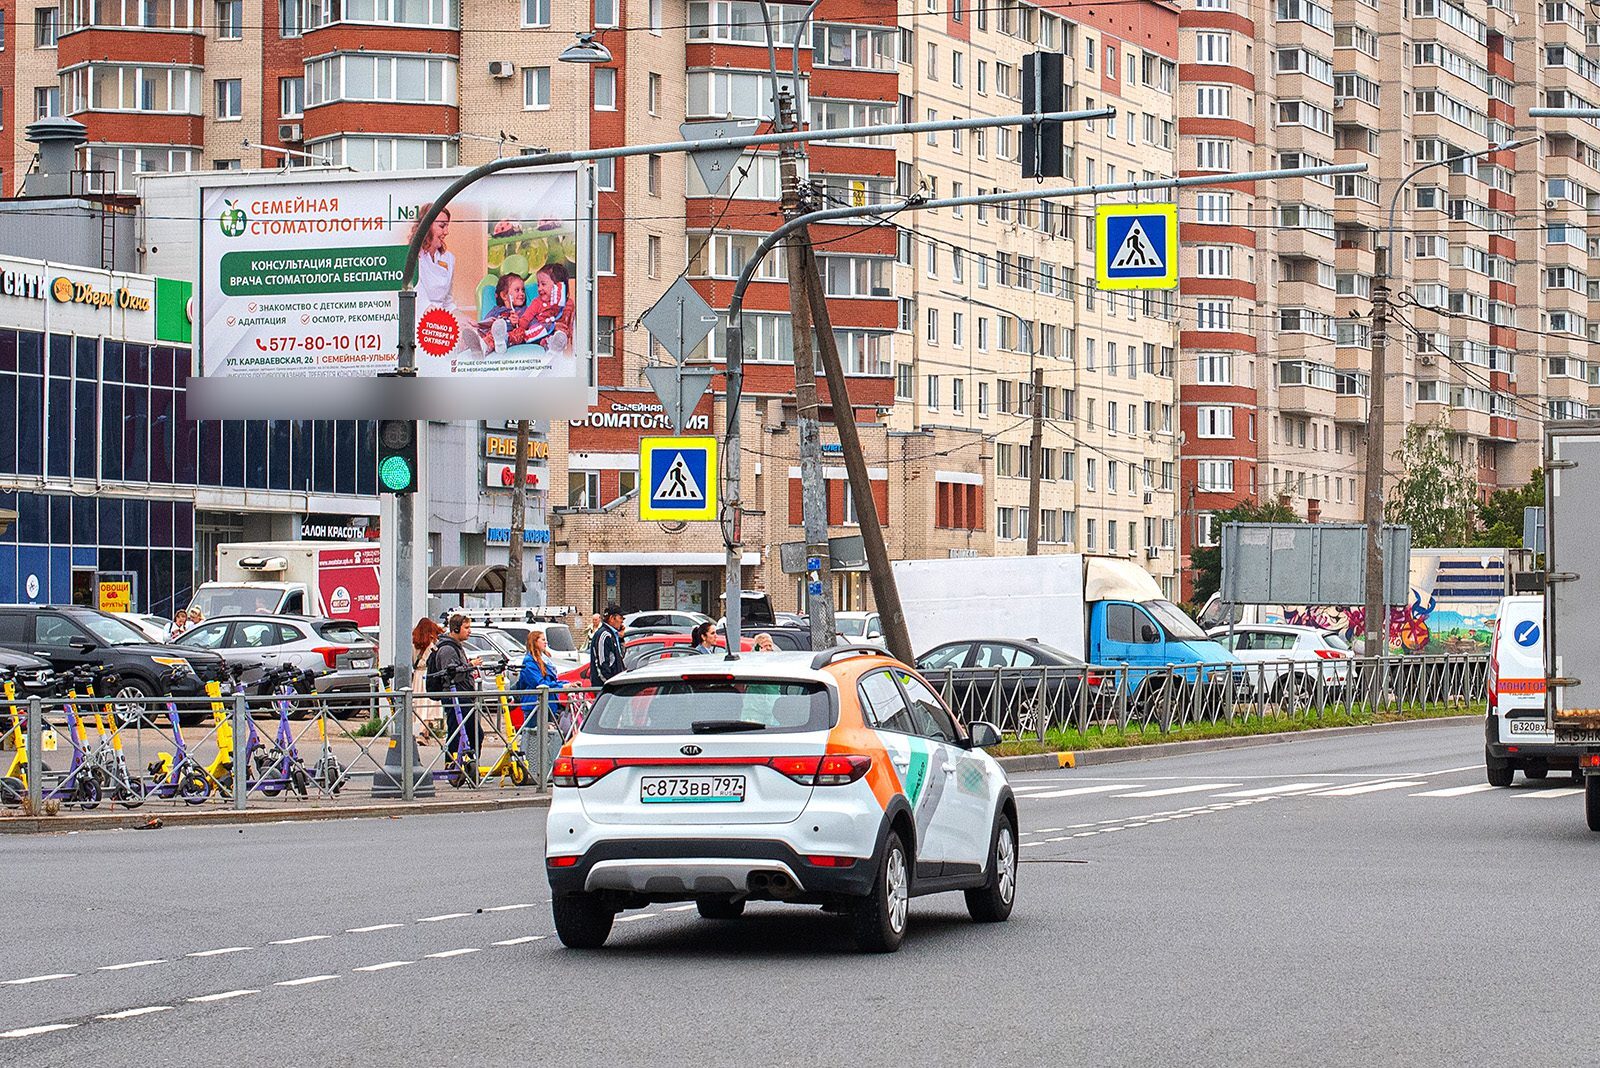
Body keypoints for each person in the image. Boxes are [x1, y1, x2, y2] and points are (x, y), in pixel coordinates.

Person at [426, 611, 482, 767]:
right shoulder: (448, 649)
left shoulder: (455, 646)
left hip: (462, 695)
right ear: (456, 629)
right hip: (455, 696)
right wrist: (470, 665)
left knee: (470, 733)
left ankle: (467, 765)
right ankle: (454, 765)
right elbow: (451, 674)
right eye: (466, 627)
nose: (469, 631)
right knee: (461, 732)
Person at [516, 631, 570, 734]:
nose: (546, 642)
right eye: (543, 639)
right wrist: (562, 686)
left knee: (547, 738)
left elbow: (551, 680)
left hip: (548, 703)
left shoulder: (544, 659)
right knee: (533, 738)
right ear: (535, 642)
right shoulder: (529, 661)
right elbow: (539, 683)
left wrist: (567, 684)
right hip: (535, 704)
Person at [517, 261, 575, 353]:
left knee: (560, 335)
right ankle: (549, 345)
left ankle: (554, 345)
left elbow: (569, 324)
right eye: (538, 285)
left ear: (558, 286)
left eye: (543, 284)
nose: (539, 289)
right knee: (541, 333)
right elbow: (526, 318)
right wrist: (519, 325)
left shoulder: (568, 303)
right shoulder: (537, 302)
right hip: (542, 333)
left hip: (561, 337)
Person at [410, 204, 455, 312]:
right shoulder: (412, 258)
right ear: (427, 226)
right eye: (442, 226)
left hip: (442, 320)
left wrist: (465, 320)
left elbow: (448, 302)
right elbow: (421, 304)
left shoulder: (449, 258)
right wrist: (448, 324)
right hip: (419, 322)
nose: (446, 232)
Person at [410, 617, 444, 743]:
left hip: (418, 675)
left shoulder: (414, 643)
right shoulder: (433, 644)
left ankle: (425, 733)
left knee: (420, 705)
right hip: (429, 673)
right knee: (429, 704)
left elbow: (412, 661)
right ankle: (423, 733)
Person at [476, 272, 528, 351]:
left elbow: (528, 325)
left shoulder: (523, 310)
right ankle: (478, 346)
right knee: (481, 332)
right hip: (491, 335)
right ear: (504, 295)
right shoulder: (496, 310)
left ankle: (488, 346)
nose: (522, 293)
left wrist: (518, 322)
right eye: (517, 290)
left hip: (509, 337)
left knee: (518, 332)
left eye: (523, 290)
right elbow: (485, 324)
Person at [588, 604, 626, 686]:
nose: (622, 621)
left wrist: (621, 638)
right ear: (612, 618)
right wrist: (610, 684)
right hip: (606, 686)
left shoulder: (613, 635)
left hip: (615, 682)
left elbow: (620, 656)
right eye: (621, 618)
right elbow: (602, 664)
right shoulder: (604, 635)